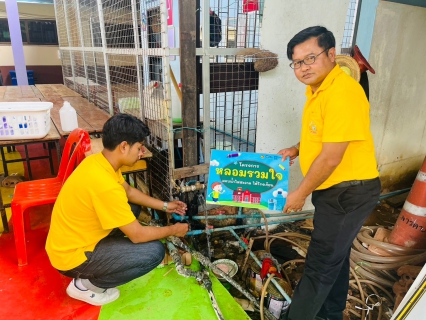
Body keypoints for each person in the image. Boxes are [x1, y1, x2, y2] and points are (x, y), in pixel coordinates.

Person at [278, 26, 381, 320]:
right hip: (336, 191)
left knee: (320, 264)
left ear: (331, 54)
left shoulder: (343, 92)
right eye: (297, 62)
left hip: (348, 193)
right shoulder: (319, 90)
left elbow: (331, 157)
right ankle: (330, 314)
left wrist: (300, 193)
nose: (303, 67)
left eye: (310, 58)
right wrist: (297, 149)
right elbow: (325, 135)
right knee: (336, 257)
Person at [46, 113, 188, 306]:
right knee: (154, 252)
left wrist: (165, 205)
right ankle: (86, 286)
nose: (142, 153)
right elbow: (137, 235)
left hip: (72, 239)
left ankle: (105, 255)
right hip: (71, 257)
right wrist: (174, 230)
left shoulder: (99, 162)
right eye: (139, 147)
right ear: (123, 146)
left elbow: (128, 191)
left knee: (132, 207)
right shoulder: (105, 185)